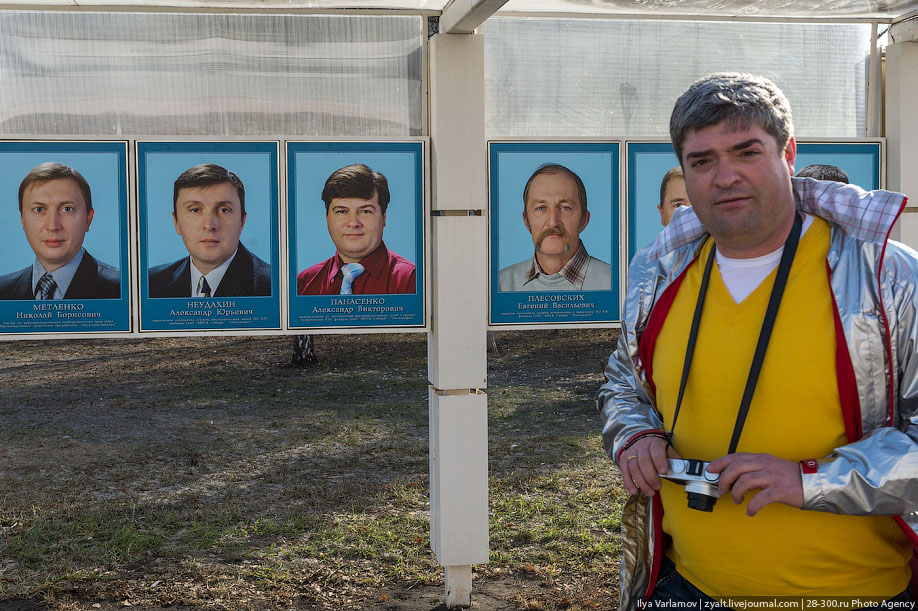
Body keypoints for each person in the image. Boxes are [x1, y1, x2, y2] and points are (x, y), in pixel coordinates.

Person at [598, 73, 917, 608]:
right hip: (685, 587)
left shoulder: (889, 276)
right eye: (702, 161)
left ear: (788, 153)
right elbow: (624, 385)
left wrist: (810, 482)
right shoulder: (659, 274)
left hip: (857, 595)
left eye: (747, 152)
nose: (725, 177)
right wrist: (633, 438)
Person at [148, 164, 271, 298]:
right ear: (176, 222)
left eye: (224, 210)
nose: (209, 225)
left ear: (242, 221)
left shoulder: (275, 286)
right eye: (195, 209)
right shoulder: (150, 284)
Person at [0, 162, 119, 300]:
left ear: (88, 219)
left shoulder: (123, 289)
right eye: (39, 209)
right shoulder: (3, 291)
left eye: (67, 209)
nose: (53, 226)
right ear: (22, 220)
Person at [297, 163, 416, 295]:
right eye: (342, 211)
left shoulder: (413, 280)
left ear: (384, 217)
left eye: (365, 211)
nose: (353, 223)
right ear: (327, 217)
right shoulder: (304, 284)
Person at [499, 163, 611, 291]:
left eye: (565, 208)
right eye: (541, 208)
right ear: (526, 220)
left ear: (584, 220)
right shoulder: (500, 285)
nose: (553, 222)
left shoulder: (620, 285)